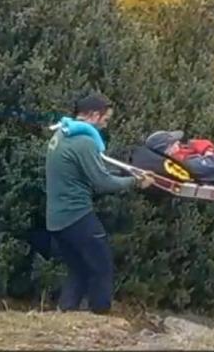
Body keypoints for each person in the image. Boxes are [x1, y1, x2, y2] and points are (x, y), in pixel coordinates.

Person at [45, 93, 153, 314]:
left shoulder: (62, 133)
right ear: (94, 115)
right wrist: (136, 182)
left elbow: (89, 170)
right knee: (102, 266)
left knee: (78, 270)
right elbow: (102, 182)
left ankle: (66, 314)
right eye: (106, 118)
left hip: (56, 218)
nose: (106, 123)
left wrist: (127, 172)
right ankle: (100, 316)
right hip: (76, 216)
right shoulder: (84, 142)